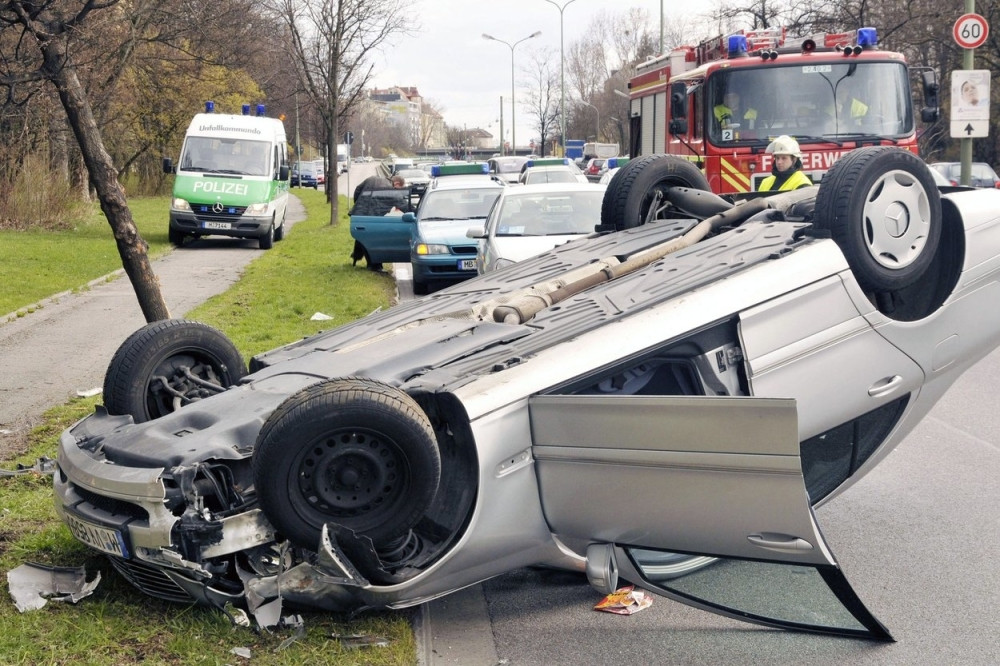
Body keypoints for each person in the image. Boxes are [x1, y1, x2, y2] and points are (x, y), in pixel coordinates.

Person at [350, 173, 406, 268]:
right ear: (396, 184)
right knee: (374, 238)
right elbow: (403, 204)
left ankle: (356, 257)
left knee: (361, 236)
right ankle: (374, 265)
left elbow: (358, 189)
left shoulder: (372, 178)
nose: (399, 192)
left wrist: (358, 205)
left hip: (359, 214)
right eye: (400, 189)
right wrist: (417, 212)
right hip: (373, 216)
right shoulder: (390, 190)